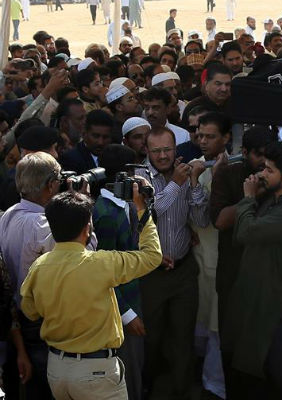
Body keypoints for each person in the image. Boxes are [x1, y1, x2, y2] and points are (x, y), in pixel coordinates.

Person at [20, 185, 161, 400]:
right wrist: (142, 209)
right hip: (97, 373)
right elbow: (152, 256)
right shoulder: (101, 263)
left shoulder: (38, 266)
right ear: (88, 228)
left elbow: (30, 311)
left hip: (57, 371)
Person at [223, 141, 282, 398]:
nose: (262, 174)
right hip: (255, 298)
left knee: (280, 370)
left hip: (276, 304)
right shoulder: (271, 200)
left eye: (269, 170)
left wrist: (249, 197)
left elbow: (246, 232)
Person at [136, 126, 210, 400]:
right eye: (157, 151)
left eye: (168, 149)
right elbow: (148, 216)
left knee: (183, 333)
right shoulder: (139, 178)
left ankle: (183, 389)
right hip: (151, 273)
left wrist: (192, 184)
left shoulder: (183, 172)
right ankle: (149, 386)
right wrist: (177, 184)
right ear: (147, 151)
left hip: (182, 269)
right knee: (151, 336)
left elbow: (201, 220)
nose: (163, 156)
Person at [0, 152, 71, 400]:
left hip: (15, 320)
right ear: (51, 185)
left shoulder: (8, 215)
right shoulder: (44, 225)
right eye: (59, 181)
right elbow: (80, 256)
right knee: (47, 389)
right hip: (42, 321)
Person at [93, 144, 150, 400]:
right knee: (127, 378)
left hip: (134, 300)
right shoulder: (105, 214)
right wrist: (127, 315)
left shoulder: (124, 206)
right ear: (122, 176)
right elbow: (102, 273)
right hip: (120, 313)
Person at [189, 113, 229, 399]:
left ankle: (214, 385)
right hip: (198, 261)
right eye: (200, 135)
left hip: (219, 263)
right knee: (201, 325)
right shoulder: (195, 166)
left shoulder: (234, 169)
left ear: (225, 138)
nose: (202, 141)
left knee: (216, 329)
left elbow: (208, 220)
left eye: (210, 136)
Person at [60, 110, 113, 174]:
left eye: (105, 137)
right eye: (96, 136)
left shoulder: (115, 157)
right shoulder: (71, 159)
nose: (100, 142)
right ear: (84, 133)